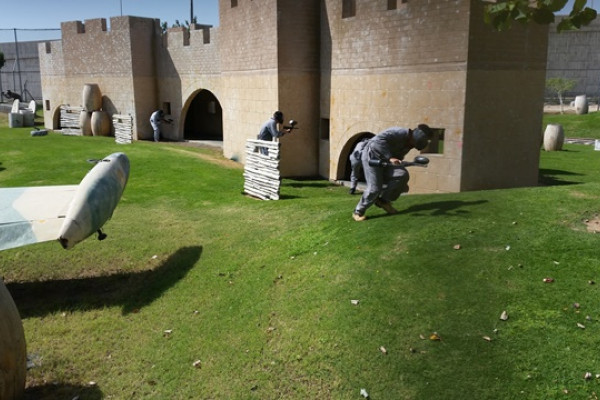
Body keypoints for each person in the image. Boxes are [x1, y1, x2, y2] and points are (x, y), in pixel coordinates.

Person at [352, 124, 432, 221]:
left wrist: (400, 178)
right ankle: (358, 211)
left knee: (402, 175)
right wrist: (390, 157)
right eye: (413, 144)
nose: (412, 147)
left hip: (385, 160)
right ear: (414, 136)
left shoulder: (409, 144)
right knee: (374, 188)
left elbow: (397, 159)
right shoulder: (398, 132)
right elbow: (376, 142)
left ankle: (384, 201)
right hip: (372, 155)